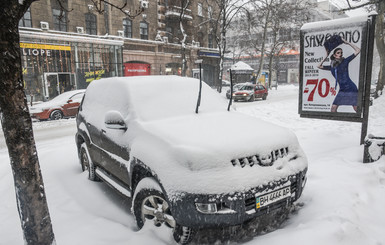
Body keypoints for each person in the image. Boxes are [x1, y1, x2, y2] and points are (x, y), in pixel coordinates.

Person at [318, 37, 361, 112]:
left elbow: (358, 50)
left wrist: (347, 42)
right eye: (338, 53)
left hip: (351, 88)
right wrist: (326, 55)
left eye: (341, 53)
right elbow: (319, 66)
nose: (340, 54)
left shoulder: (345, 61)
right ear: (334, 55)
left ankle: (363, 120)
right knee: (333, 109)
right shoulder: (332, 67)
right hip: (342, 89)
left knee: (356, 108)